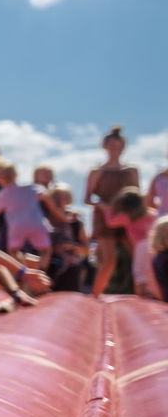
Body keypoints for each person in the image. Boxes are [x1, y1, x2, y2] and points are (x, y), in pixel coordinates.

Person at [84, 126, 138, 296]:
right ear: (105, 146)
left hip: (126, 217)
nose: (115, 148)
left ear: (123, 147)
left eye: (118, 145)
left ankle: (142, 295)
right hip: (104, 218)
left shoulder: (131, 171)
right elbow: (87, 198)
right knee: (109, 260)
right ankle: (95, 297)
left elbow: (136, 195)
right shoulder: (97, 172)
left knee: (138, 257)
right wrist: (102, 206)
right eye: (112, 145)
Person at [0, 159, 53, 271]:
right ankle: (42, 272)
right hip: (37, 223)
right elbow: (44, 194)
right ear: (15, 174)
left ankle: (24, 272)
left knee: (13, 251)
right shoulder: (31, 188)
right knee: (45, 250)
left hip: (17, 226)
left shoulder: (3, 194)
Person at [102, 187, 155, 298]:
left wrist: (106, 209)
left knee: (140, 276)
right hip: (154, 246)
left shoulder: (128, 217)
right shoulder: (151, 213)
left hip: (141, 247)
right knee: (152, 275)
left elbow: (110, 222)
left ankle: (142, 298)